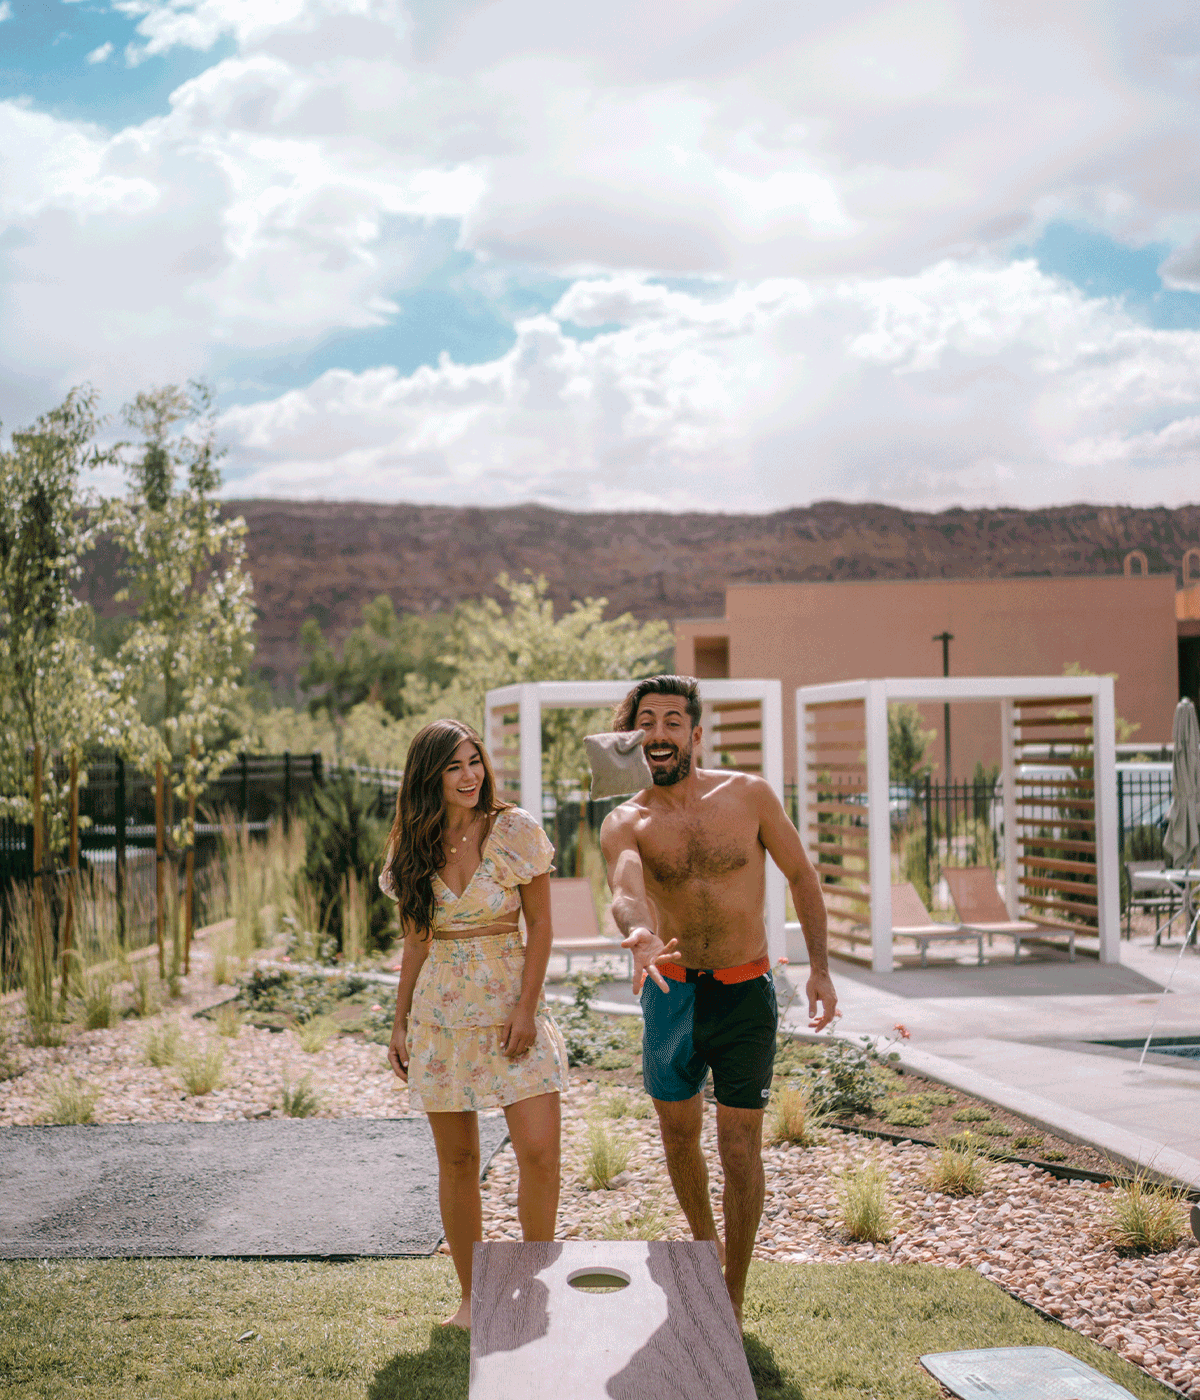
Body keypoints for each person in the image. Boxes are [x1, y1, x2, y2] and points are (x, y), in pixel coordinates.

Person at [599, 675, 838, 1327]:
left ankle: (731, 1293)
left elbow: (801, 874)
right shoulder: (625, 821)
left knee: (739, 1149)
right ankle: (705, 1256)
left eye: (672, 721)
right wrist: (638, 931)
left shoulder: (749, 795)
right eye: (646, 722)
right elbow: (625, 888)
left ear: (696, 734)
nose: (659, 733)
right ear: (632, 738)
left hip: (744, 993)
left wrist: (819, 969)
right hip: (671, 995)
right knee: (679, 1138)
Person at [380, 719, 567, 1330]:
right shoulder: (413, 845)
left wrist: (526, 1009)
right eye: (454, 766)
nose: (470, 776)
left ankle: (535, 1281)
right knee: (458, 1160)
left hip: (511, 1000)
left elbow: (542, 925)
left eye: (475, 762)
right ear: (429, 777)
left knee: (538, 1151)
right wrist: (400, 1023)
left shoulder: (515, 830)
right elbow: (416, 942)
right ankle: (471, 1297)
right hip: (441, 1012)